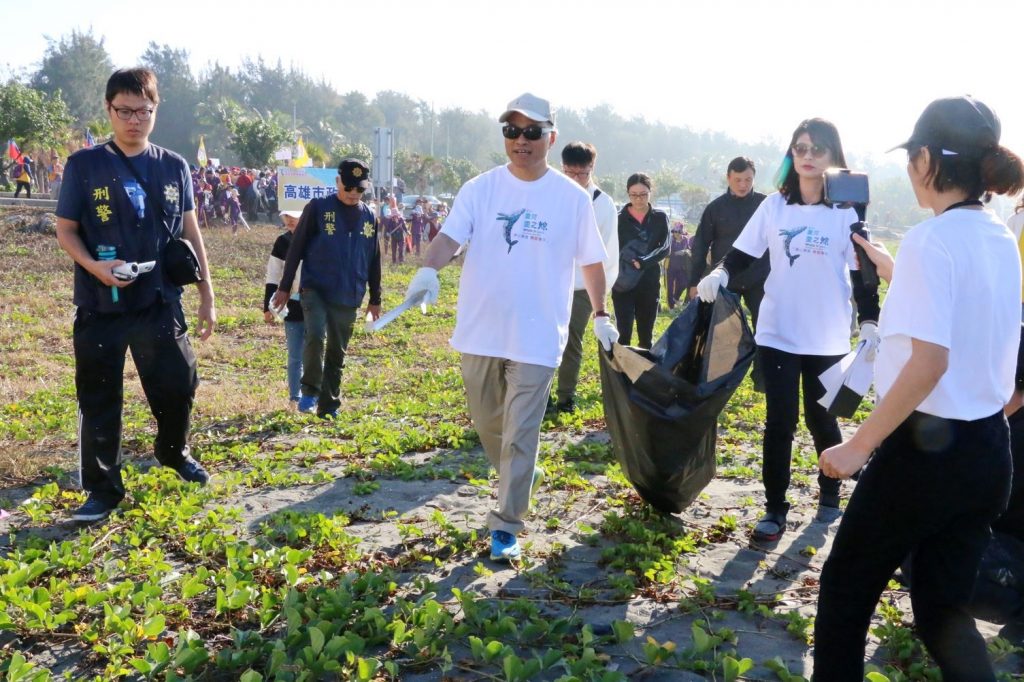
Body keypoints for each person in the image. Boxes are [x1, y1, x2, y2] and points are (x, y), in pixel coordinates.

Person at [815, 96, 1024, 679]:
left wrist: (859, 444)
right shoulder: (997, 236)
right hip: (988, 449)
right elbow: (964, 313)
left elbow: (929, 362)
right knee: (941, 612)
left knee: (846, 593)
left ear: (927, 159)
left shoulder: (933, 240)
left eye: (911, 157)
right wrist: (890, 265)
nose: (910, 169)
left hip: (926, 451)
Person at [404, 93, 617, 562]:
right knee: (489, 424)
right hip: (482, 330)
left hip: (539, 337)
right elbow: (448, 238)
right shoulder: (479, 189)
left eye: (532, 132)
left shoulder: (571, 198)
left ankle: (506, 523)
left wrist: (601, 315)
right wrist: (428, 269)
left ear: (551, 138)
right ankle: (520, 471)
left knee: (521, 433)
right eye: (512, 131)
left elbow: (594, 262)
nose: (521, 140)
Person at [697, 118, 880, 542]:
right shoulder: (775, 207)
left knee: (823, 421)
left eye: (818, 149)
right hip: (777, 332)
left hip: (827, 336)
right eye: (800, 148)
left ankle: (829, 493)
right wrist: (721, 273)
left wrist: (870, 319)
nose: (809, 157)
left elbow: (862, 275)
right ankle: (775, 508)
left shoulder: (847, 213)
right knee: (779, 423)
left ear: (834, 156)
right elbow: (742, 252)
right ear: (791, 155)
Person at [54, 67, 216, 522]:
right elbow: (65, 230)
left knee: (177, 385)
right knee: (99, 396)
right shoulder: (84, 165)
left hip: (160, 300)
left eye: (143, 111)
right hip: (100, 303)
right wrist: (95, 267)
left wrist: (207, 294)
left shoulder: (173, 166)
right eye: (124, 110)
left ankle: (173, 452)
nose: (133, 120)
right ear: (109, 109)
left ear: (155, 110)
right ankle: (103, 488)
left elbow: (190, 230)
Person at [271, 158, 382, 419]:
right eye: (348, 188)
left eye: (359, 190)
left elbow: (374, 259)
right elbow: (296, 248)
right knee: (316, 335)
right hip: (316, 288)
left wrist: (375, 297)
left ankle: (329, 404)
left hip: (349, 292)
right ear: (337, 182)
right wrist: (285, 288)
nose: (353, 194)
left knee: (337, 350)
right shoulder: (318, 208)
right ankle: (309, 391)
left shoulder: (369, 216)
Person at [548, 141, 619, 414]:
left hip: (581, 287)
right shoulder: (550, 195)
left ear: (592, 168)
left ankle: (565, 397)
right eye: (570, 173)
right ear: (562, 167)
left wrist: (599, 298)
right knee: (543, 338)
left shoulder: (603, 204)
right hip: (550, 281)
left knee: (571, 342)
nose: (576, 179)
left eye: (583, 173)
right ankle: (540, 397)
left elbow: (609, 255)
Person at [689, 157, 768, 388]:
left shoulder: (766, 205)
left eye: (748, 180)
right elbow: (701, 245)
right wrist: (694, 281)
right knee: (721, 331)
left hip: (760, 277)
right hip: (724, 279)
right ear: (728, 178)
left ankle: (762, 377)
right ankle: (719, 379)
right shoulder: (716, 208)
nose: (743, 184)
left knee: (764, 327)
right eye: (738, 180)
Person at [611, 173, 670, 348]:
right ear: (628, 194)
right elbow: (610, 247)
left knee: (646, 336)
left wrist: (644, 261)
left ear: (650, 192)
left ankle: (644, 373)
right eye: (634, 194)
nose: (638, 199)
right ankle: (622, 373)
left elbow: (665, 247)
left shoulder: (659, 217)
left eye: (643, 194)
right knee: (623, 335)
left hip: (649, 282)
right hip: (623, 282)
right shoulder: (619, 218)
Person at [264, 209, 305, 407]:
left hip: (316, 305)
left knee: (315, 353)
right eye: (286, 216)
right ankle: (294, 398)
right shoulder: (282, 243)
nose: (289, 220)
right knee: (295, 355)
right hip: (293, 305)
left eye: (293, 216)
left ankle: (313, 395)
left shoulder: (318, 240)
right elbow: (273, 275)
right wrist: (267, 306)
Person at [665, 222, 692, 309]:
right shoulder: (670, 240)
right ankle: (671, 306)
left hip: (681, 267)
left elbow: (688, 249)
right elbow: (666, 253)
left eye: (678, 231)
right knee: (670, 287)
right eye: (674, 231)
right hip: (670, 266)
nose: (676, 233)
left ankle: (675, 298)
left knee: (684, 283)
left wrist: (686, 251)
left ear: (681, 231)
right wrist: (677, 253)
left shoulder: (685, 239)